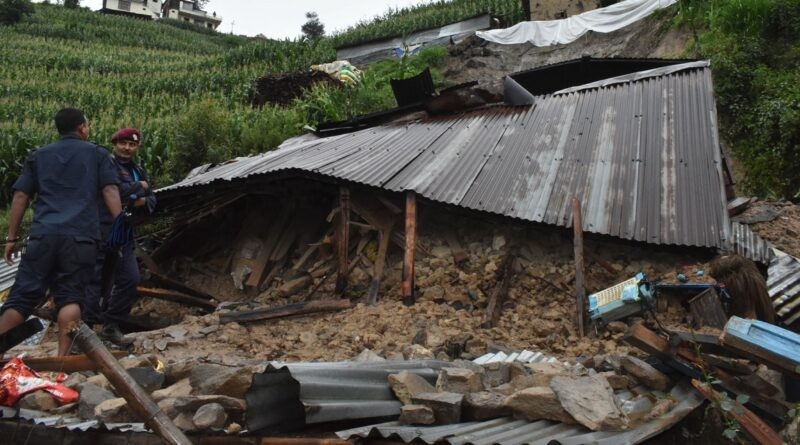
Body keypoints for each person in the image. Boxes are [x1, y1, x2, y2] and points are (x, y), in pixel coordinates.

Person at [2, 108, 122, 356]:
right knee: (71, 297)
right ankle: (62, 363)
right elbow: (110, 191)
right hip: (81, 238)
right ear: (81, 128)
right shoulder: (98, 154)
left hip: (43, 235)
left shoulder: (38, 156)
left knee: (22, 298)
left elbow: (21, 196)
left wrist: (11, 238)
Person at [83, 127, 156, 347]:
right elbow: (114, 191)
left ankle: (111, 326)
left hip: (124, 231)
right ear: (115, 144)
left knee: (130, 278)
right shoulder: (107, 164)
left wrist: (140, 197)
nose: (127, 148)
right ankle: (85, 332)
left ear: (137, 147)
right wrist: (139, 188)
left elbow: (152, 198)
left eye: (132, 144)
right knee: (95, 280)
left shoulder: (137, 169)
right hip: (101, 228)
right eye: (123, 143)